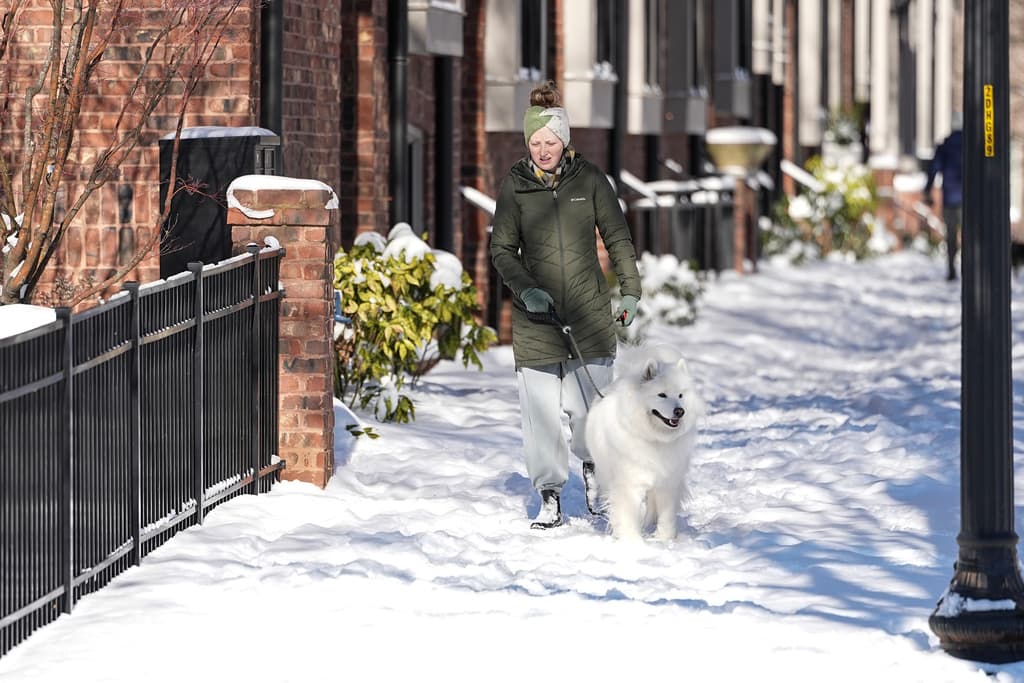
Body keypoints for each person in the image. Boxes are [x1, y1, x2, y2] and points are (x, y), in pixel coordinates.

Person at [489, 81, 642, 529]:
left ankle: (593, 467)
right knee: (541, 418)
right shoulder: (515, 186)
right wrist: (526, 290)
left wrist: (630, 290)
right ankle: (550, 493)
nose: (542, 150)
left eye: (549, 142)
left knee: (587, 412)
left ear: (564, 139)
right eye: (534, 142)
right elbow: (501, 250)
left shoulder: (591, 179)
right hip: (536, 318)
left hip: (588, 315)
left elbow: (617, 236)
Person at [923, 111, 963, 281]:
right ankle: (970, 268)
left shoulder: (945, 146)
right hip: (968, 199)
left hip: (950, 197)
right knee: (971, 236)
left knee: (951, 235)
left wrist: (927, 189)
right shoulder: (973, 144)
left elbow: (933, 169)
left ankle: (951, 269)